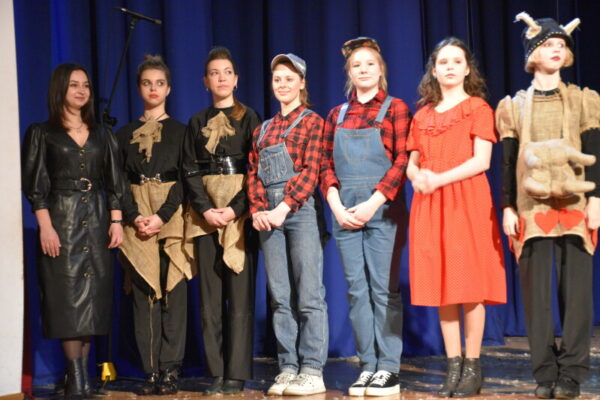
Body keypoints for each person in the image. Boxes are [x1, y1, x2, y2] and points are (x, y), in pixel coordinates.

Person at [497, 13, 600, 399]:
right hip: (531, 205)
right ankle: (544, 372)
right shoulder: (515, 106)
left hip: (575, 201)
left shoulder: (582, 99)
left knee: (577, 294)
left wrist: (596, 200)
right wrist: (508, 206)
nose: (557, 49)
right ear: (532, 54)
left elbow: (594, 150)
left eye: (562, 45)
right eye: (548, 44)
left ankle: (571, 373)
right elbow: (509, 160)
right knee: (536, 294)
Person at [407, 37, 506, 398]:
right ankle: (453, 366)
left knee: (469, 284)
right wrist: (417, 177)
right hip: (431, 203)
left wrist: (438, 179)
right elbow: (412, 161)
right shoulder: (423, 115)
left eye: (456, 61)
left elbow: (482, 161)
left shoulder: (477, 108)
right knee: (442, 284)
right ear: (434, 71)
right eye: (443, 62)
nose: (449, 67)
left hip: (466, 200)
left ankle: (473, 366)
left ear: (467, 69)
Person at [21, 63, 124, 400]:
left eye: (86, 85)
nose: (81, 91)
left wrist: (116, 220)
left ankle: (81, 381)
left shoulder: (102, 134)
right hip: (61, 221)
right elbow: (35, 185)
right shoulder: (42, 132)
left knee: (92, 300)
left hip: (96, 220)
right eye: (74, 85)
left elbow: (115, 181)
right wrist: (46, 227)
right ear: (60, 89)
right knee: (68, 300)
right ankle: (77, 383)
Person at [320, 37, 409, 397]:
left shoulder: (396, 108)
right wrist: (336, 206)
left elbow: (402, 160)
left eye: (370, 63)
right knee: (357, 291)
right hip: (345, 211)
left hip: (382, 209)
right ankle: (368, 366)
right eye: (357, 65)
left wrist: (373, 202)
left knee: (383, 290)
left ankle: (388, 367)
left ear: (381, 68)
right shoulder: (336, 115)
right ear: (349, 73)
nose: (363, 70)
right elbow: (325, 164)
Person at [247, 53, 328, 396]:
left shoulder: (313, 122)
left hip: (300, 211)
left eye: (289, 79)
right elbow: (253, 174)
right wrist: (257, 210)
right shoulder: (262, 129)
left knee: (308, 294)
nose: (282, 84)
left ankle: (312, 369)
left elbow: (311, 171)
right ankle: (288, 367)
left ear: (302, 83)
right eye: (277, 79)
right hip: (268, 216)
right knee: (280, 297)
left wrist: (284, 206)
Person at [182, 46, 260, 395]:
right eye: (215, 73)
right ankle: (215, 371)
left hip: (239, 215)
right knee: (210, 300)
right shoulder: (196, 121)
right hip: (205, 216)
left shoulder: (250, 118)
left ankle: (236, 373)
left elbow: (256, 169)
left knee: (239, 298)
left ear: (236, 79)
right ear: (205, 81)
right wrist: (205, 209)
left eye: (227, 72)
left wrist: (234, 209)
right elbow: (189, 170)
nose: (221, 78)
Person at [116, 55, 191, 396]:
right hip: (137, 218)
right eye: (147, 83)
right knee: (144, 292)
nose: (153, 89)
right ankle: (150, 370)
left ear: (169, 89)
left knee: (173, 290)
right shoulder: (124, 134)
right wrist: (134, 216)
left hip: (170, 216)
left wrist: (162, 215)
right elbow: (118, 182)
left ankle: (170, 369)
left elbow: (185, 179)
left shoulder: (181, 132)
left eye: (159, 83)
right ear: (139, 88)